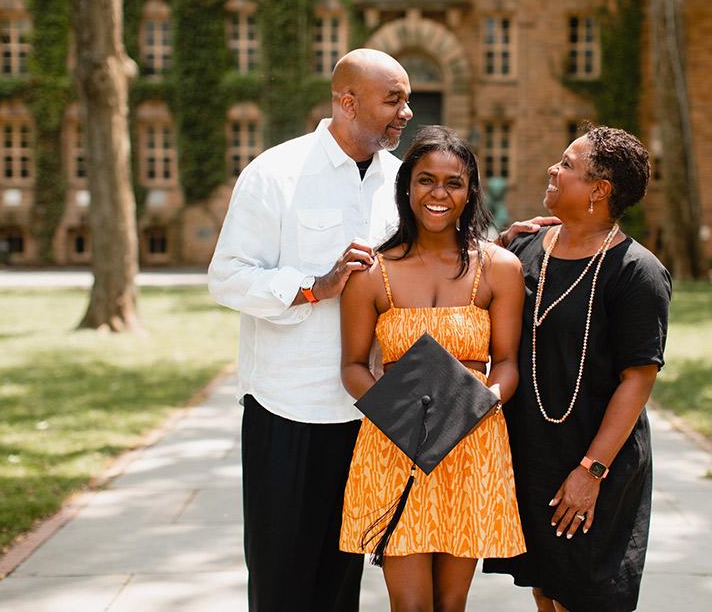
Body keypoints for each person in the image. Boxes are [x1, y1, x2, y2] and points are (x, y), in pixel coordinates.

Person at [207, 48, 413, 612]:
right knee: (281, 579)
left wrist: (501, 246)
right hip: (287, 409)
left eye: (408, 100)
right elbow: (226, 278)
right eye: (393, 99)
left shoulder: (402, 183)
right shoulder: (275, 174)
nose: (406, 113)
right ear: (347, 102)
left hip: (368, 412)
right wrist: (311, 287)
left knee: (341, 580)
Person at [338, 126, 527, 612]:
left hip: (471, 442)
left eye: (454, 182)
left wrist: (478, 407)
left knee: (451, 604)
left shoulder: (499, 268)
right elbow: (354, 367)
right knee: (412, 605)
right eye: (426, 180)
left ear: (470, 192)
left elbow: (506, 363)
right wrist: (403, 421)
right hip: (396, 444)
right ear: (406, 187)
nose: (439, 193)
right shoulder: (372, 273)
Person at [484, 125, 672, 612]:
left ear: (599, 190)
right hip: (532, 454)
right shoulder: (525, 251)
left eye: (567, 164)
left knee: (587, 596)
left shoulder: (637, 272)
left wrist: (591, 471)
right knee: (545, 591)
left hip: (595, 460)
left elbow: (639, 378)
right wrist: (500, 246)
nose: (553, 168)